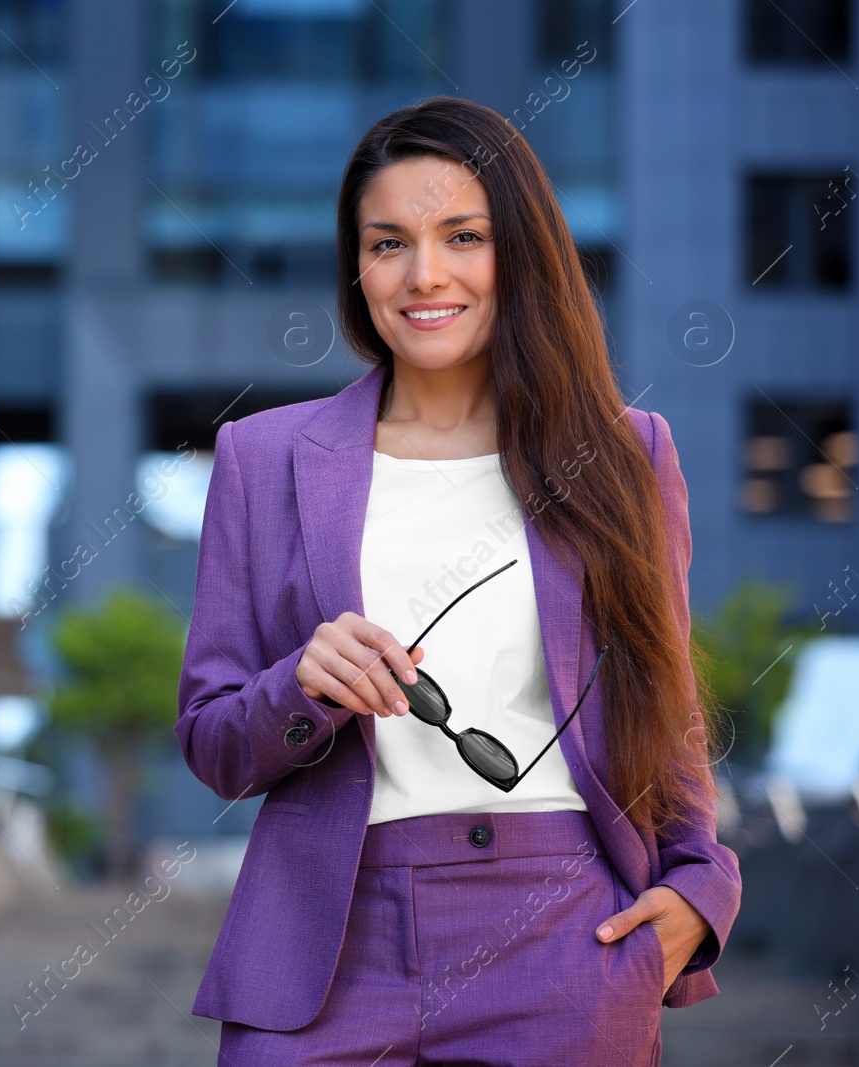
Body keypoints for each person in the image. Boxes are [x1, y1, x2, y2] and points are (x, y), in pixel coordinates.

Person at [174, 96, 742, 1066]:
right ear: (356, 266)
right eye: (387, 242)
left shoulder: (623, 453)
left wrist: (700, 886)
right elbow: (214, 741)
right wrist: (298, 684)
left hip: (563, 933)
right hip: (325, 939)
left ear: (517, 252)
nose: (423, 274)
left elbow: (663, 695)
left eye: (462, 237)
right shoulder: (261, 456)